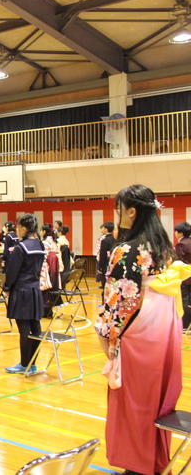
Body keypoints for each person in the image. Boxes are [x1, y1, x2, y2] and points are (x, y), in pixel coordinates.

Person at [96, 185, 183, 475]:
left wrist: (107, 337)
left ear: (131, 212)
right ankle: (153, 461)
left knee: (133, 402)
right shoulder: (162, 247)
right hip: (163, 327)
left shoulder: (126, 249)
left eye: (118, 209)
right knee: (155, 400)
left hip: (138, 331)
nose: (116, 214)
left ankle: (137, 466)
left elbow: (118, 300)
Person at [2, 214, 47, 375]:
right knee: (36, 328)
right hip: (35, 290)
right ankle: (32, 364)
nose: (17, 230)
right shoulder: (40, 245)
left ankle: (24, 364)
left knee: (24, 329)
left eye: (18, 227)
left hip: (21, 291)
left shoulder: (21, 247)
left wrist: (6, 287)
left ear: (23, 228)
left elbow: (12, 271)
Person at [175, 221, 191, 329]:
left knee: (184, 301)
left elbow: (178, 261)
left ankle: (185, 325)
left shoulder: (181, 244)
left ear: (180, 233)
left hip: (185, 278)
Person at [97, 222, 115, 289]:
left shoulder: (104, 240)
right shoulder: (114, 239)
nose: (102, 229)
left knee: (105, 281)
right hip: (113, 262)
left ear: (106, 229)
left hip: (105, 263)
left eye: (103, 228)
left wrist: (100, 266)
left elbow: (102, 254)